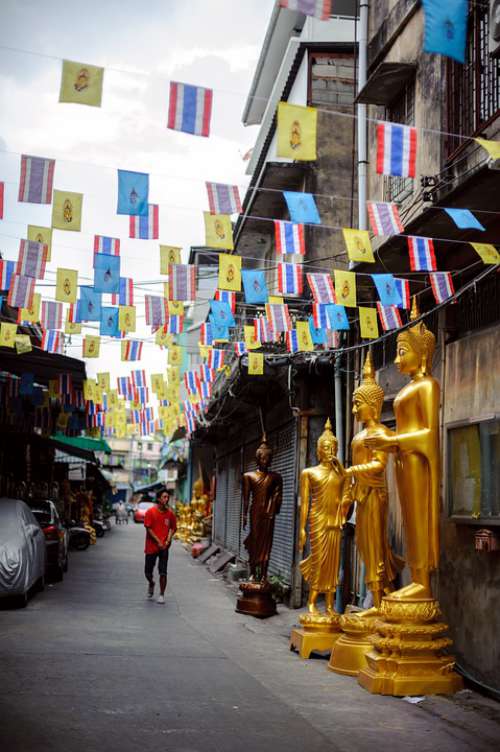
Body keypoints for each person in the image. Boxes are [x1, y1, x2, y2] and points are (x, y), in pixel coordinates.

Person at [144, 488, 177, 604]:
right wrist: (158, 541)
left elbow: (173, 528)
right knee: (147, 572)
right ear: (158, 499)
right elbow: (148, 528)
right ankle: (151, 583)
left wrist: (168, 539)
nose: (166, 499)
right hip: (151, 546)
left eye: (167, 497)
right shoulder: (150, 512)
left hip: (164, 548)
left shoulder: (170, 514)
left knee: (163, 572)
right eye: (164, 497)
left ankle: (162, 594)